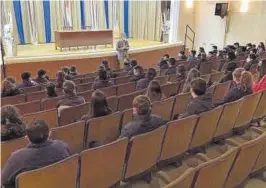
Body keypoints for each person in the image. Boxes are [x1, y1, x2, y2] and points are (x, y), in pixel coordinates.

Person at [1, 119, 70, 188]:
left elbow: (3, 181)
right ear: (49, 133)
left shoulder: (16, 158)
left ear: (27, 138)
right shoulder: (61, 146)